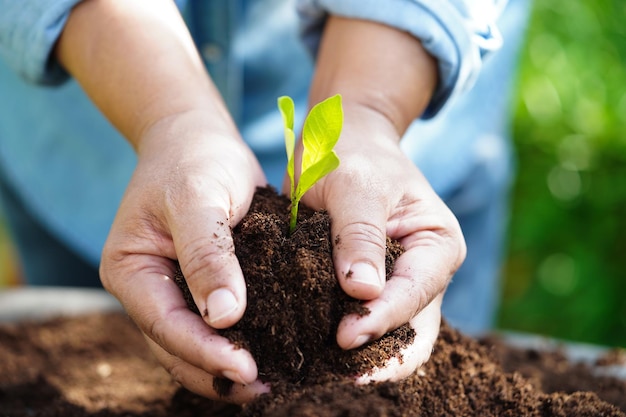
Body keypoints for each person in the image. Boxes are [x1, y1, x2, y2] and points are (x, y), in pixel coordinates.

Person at [0, 0, 530, 403]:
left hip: (402, 148)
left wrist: (369, 109)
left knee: (418, 357)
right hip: (88, 141)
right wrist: (169, 119)